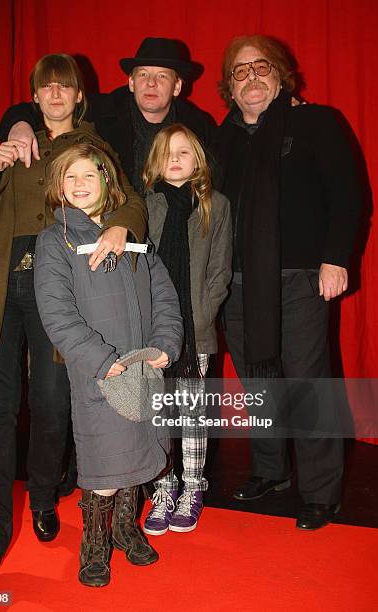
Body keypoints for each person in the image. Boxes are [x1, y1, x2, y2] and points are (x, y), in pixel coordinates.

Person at [0, 53, 147, 583]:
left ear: (79, 96)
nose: (57, 95)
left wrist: (118, 230)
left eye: (66, 87)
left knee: (48, 401)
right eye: (48, 88)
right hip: (0, 288)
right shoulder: (19, 141)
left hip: (57, 289)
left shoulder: (92, 148)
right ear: (35, 97)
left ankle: (43, 497)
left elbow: (131, 202)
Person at [214, 35, 361, 530]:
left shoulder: (317, 122)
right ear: (229, 88)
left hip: (300, 276)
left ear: (280, 74)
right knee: (258, 382)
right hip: (236, 282)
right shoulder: (223, 138)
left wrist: (335, 258)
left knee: (306, 382)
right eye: (240, 71)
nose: (251, 77)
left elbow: (348, 193)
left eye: (261, 67)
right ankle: (271, 472)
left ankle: (321, 491)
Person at [34, 142, 183, 587]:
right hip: (99, 371)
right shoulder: (55, 241)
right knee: (105, 461)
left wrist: (164, 344)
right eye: (70, 177)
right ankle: (94, 544)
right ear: (59, 187)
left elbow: (165, 298)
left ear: (107, 181)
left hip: (143, 367)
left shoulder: (134, 238)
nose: (79, 184)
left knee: (141, 450)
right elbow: (57, 314)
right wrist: (101, 360)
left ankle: (124, 528)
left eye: (88, 175)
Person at [142, 123, 232, 534]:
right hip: (154, 329)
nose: (174, 159)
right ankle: (163, 488)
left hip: (195, 328)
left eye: (183, 151)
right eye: (167, 153)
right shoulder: (144, 205)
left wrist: (201, 315)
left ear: (197, 160)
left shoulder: (217, 205)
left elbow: (220, 271)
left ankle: (193, 485)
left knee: (192, 413)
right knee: (159, 414)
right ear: (154, 163)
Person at [0, 37, 215, 194]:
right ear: (131, 82)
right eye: (143, 74)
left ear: (177, 86)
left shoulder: (198, 126)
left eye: (162, 76)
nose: (151, 83)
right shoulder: (102, 110)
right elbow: (44, 107)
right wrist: (19, 125)